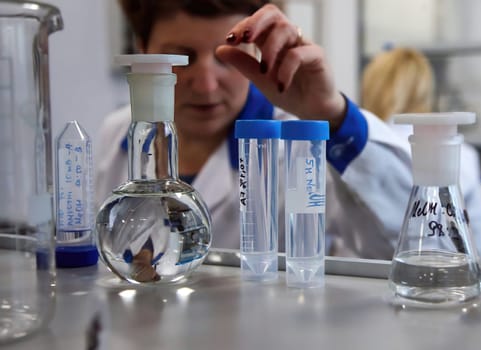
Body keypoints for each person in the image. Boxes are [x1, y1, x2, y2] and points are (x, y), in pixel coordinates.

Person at [96, 0, 414, 260]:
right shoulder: (115, 135)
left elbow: (411, 246)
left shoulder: (299, 145)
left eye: (228, 59)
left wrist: (333, 116)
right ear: (141, 49)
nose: (206, 85)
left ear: (258, 53)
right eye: (184, 57)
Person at [361, 47, 481, 258]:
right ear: (424, 91)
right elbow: (478, 245)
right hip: (449, 278)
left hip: (360, 278)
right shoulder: (465, 154)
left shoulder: (357, 148)